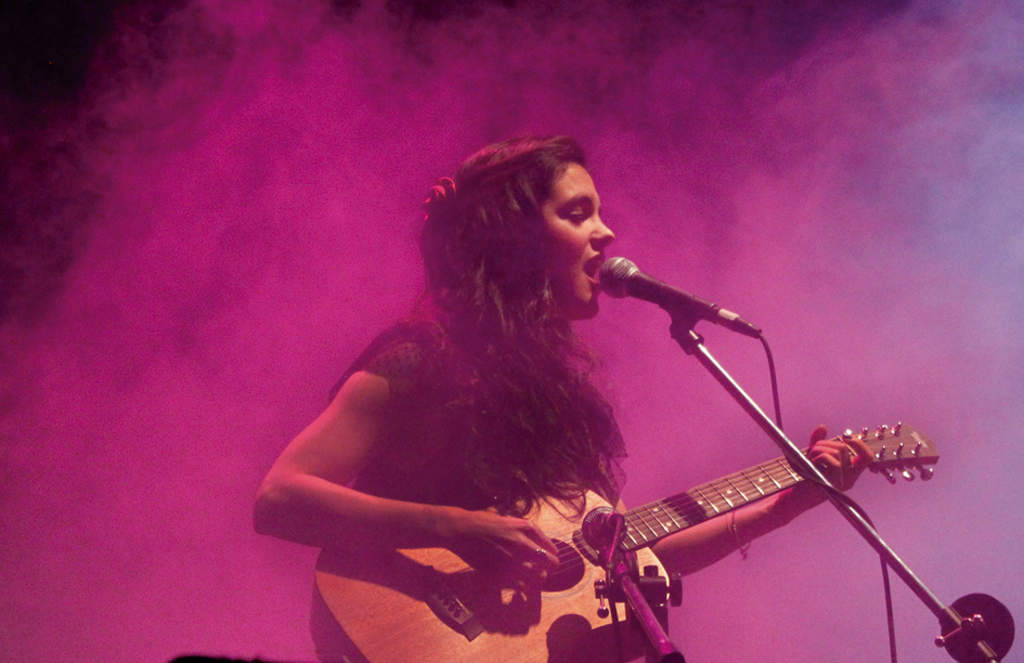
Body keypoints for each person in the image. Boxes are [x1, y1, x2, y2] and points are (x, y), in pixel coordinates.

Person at [253, 135, 872, 662]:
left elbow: (630, 552)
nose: (607, 233)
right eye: (578, 214)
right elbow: (280, 497)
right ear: (514, 240)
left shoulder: (560, 393)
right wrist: (454, 528)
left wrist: (786, 506)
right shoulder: (424, 356)